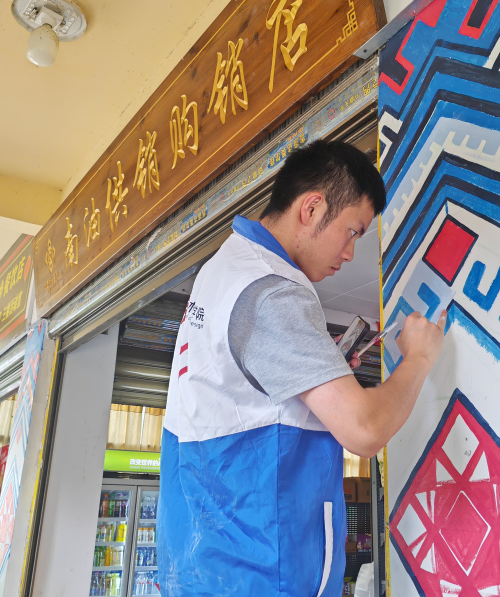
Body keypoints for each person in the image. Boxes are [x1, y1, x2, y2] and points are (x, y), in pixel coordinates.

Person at [158, 140, 445, 597]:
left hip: (212, 566)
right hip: (260, 575)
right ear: (311, 208)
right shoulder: (272, 292)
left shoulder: (225, 268)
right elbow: (365, 430)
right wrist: (420, 357)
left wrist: (314, 368)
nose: (350, 253)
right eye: (353, 231)